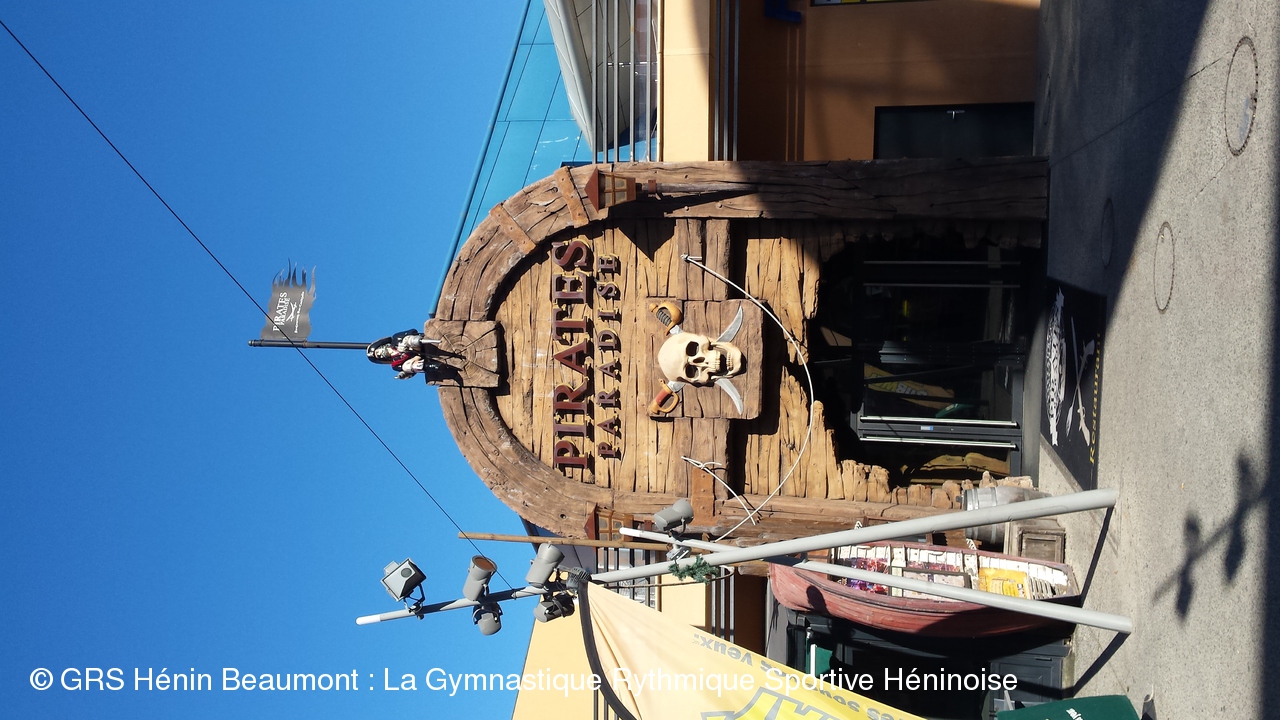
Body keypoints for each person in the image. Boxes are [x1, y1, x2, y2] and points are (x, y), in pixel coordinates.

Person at [366, 330, 444, 380]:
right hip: (417, 358)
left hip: (419, 346)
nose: (380, 354)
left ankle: (434, 341)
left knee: (407, 340)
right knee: (406, 367)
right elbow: (410, 373)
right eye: (379, 356)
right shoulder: (395, 364)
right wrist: (403, 375)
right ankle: (435, 366)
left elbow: (413, 331)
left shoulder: (396, 339)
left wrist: (403, 344)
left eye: (378, 352)